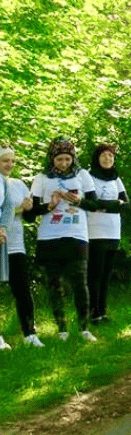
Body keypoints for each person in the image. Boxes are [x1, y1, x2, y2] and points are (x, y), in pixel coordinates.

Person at [24, 137, 101, 342]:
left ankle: (84, 328)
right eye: (59, 159)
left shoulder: (83, 175)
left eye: (67, 159)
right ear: (52, 159)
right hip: (50, 237)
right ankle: (62, 330)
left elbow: (95, 205)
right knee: (54, 284)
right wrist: (50, 205)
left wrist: (79, 200)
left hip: (77, 235)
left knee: (80, 282)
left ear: (73, 158)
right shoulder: (41, 178)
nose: (64, 163)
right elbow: (29, 214)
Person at [0, 146, 43, 348]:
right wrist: (18, 209)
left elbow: (29, 216)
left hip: (16, 245)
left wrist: (29, 209)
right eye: (5, 161)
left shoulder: (18, 184)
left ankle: (30, 334)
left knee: (23, 289)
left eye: (12, 161)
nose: (9, 165)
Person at [86, 144, 129, 324]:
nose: (107, 159)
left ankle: (102, 312)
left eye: (111, 156)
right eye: (104, 155)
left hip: (113, 231)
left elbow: (125, 203)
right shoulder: (88, 176)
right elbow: (89, 203)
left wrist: (109, 205)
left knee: (106, 274)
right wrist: (110, 205)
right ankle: (92, 313)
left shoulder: (115, 178)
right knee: (94, 273)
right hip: (94, 231)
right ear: (97, 158)